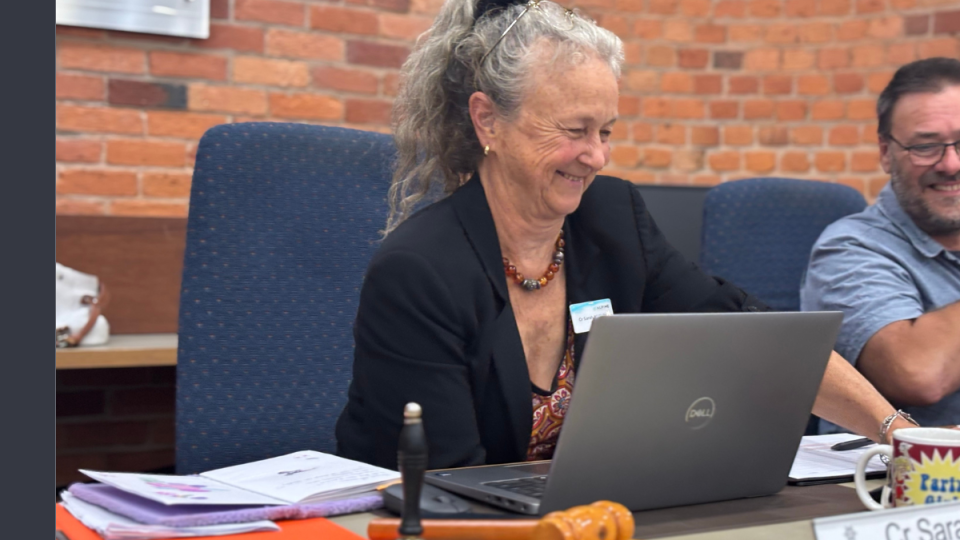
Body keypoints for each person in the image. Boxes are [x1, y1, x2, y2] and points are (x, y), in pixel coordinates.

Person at [335, 0, 918, 470]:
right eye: (573, 129)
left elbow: (746, 332)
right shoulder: (420, 269)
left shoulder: (610, 216)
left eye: (606, 130)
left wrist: (901, 436)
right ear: (488, 119)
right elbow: (446, 484)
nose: (595, 155)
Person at [801, 57, 960, 433]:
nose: (951, 164)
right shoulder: (849, 249)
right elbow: (917, 374)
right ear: (886, 152)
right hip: (902, 483)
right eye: (926, 146)